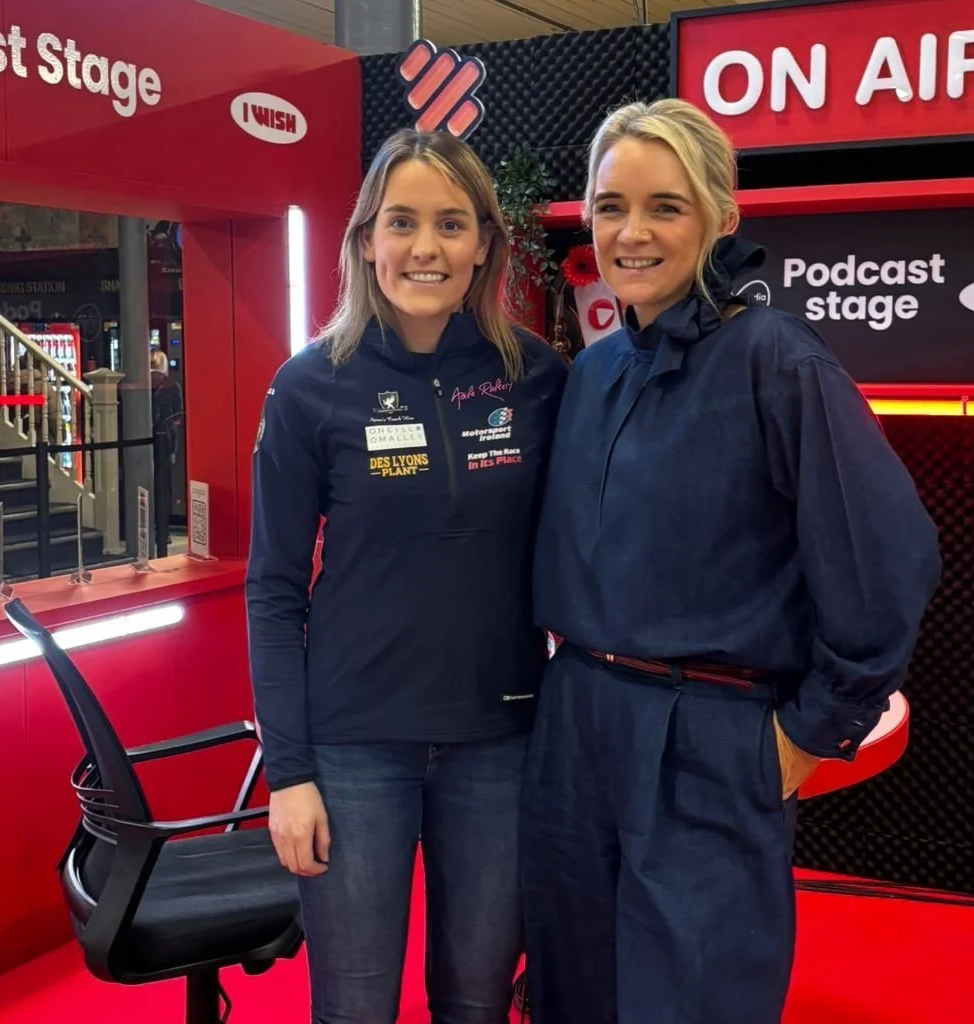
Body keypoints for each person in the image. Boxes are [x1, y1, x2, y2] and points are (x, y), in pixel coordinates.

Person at [520, 98, 943, 1023]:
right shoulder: (591, 373)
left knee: (693, 998)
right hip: (574, 723)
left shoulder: (777, 362)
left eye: (665, 207)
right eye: (611, 206)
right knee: (572, 991)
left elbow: (885, 559)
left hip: (707, 732)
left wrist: (812, 731)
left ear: (721, 216)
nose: (633, 232)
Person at [245, 128, 568, 1023]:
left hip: (500, 743)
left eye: (451, 224)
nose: (427, 247)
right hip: (352, 749)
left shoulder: (538, 380)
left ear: (485, 245)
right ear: (366, 242)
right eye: (402, 222)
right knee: (354, 1010)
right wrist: (288, 773)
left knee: (475, 1001)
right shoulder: (309, 386)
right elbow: (272, 591)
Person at [149, 347, 184, 558]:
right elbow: (178, 415)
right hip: (166, 441)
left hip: (147, 439)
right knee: (165, 486)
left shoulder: (142, 383)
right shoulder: (171, 385)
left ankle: (153, 528)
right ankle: (164, 532)